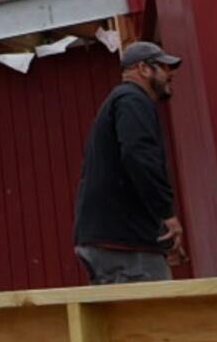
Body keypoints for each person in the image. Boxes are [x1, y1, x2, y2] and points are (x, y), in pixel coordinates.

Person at [71, 39, 184, 283]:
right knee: (155, 316)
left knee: (116, 320)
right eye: (163, 67)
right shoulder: (133, 100)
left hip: (105, 240)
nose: (170, 74)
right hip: (125, 244)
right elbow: (139, 155)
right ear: (143, 69)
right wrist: (166, 214)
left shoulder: (117, 102)